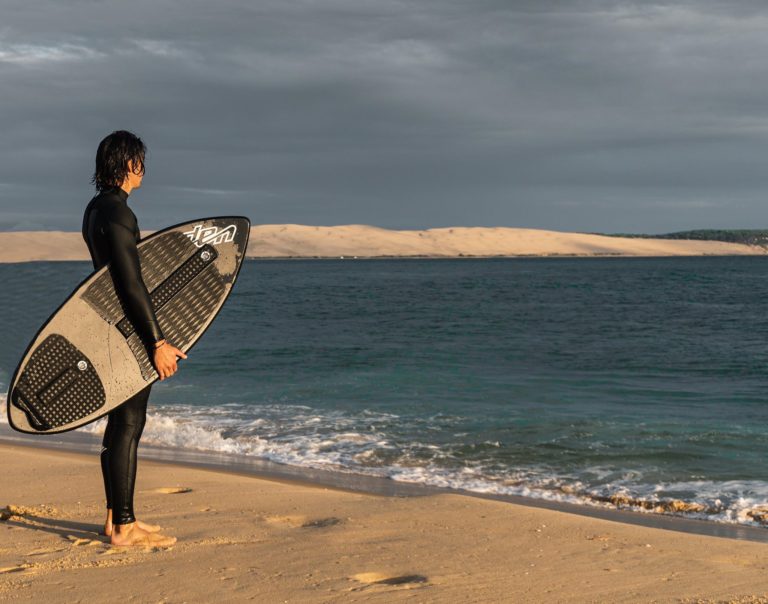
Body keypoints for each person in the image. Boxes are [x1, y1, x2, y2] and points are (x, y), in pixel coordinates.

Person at [81, 130, 184, 547]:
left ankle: (115, 516)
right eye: (139, 160)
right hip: (127, 331)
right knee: (128, 423)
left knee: (118, 424)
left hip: (109, 327)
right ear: (128, 164)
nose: (143, 168)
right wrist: (157, 342)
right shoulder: (119, 213)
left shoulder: (95, 209)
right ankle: (125, 527)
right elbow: (130, 284)